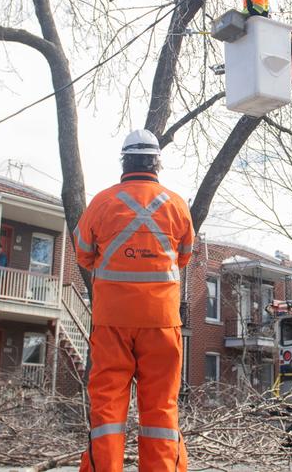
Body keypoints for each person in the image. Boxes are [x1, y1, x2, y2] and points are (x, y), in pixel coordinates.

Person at [75, 129, 195, 472]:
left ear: (124, 162)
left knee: (108, 411)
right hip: (161, 322)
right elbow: (183, 256)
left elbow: (83, 253)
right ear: (157, 162)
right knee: (160, 410)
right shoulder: (176, 205)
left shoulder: (101, 202)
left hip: (112, 322)